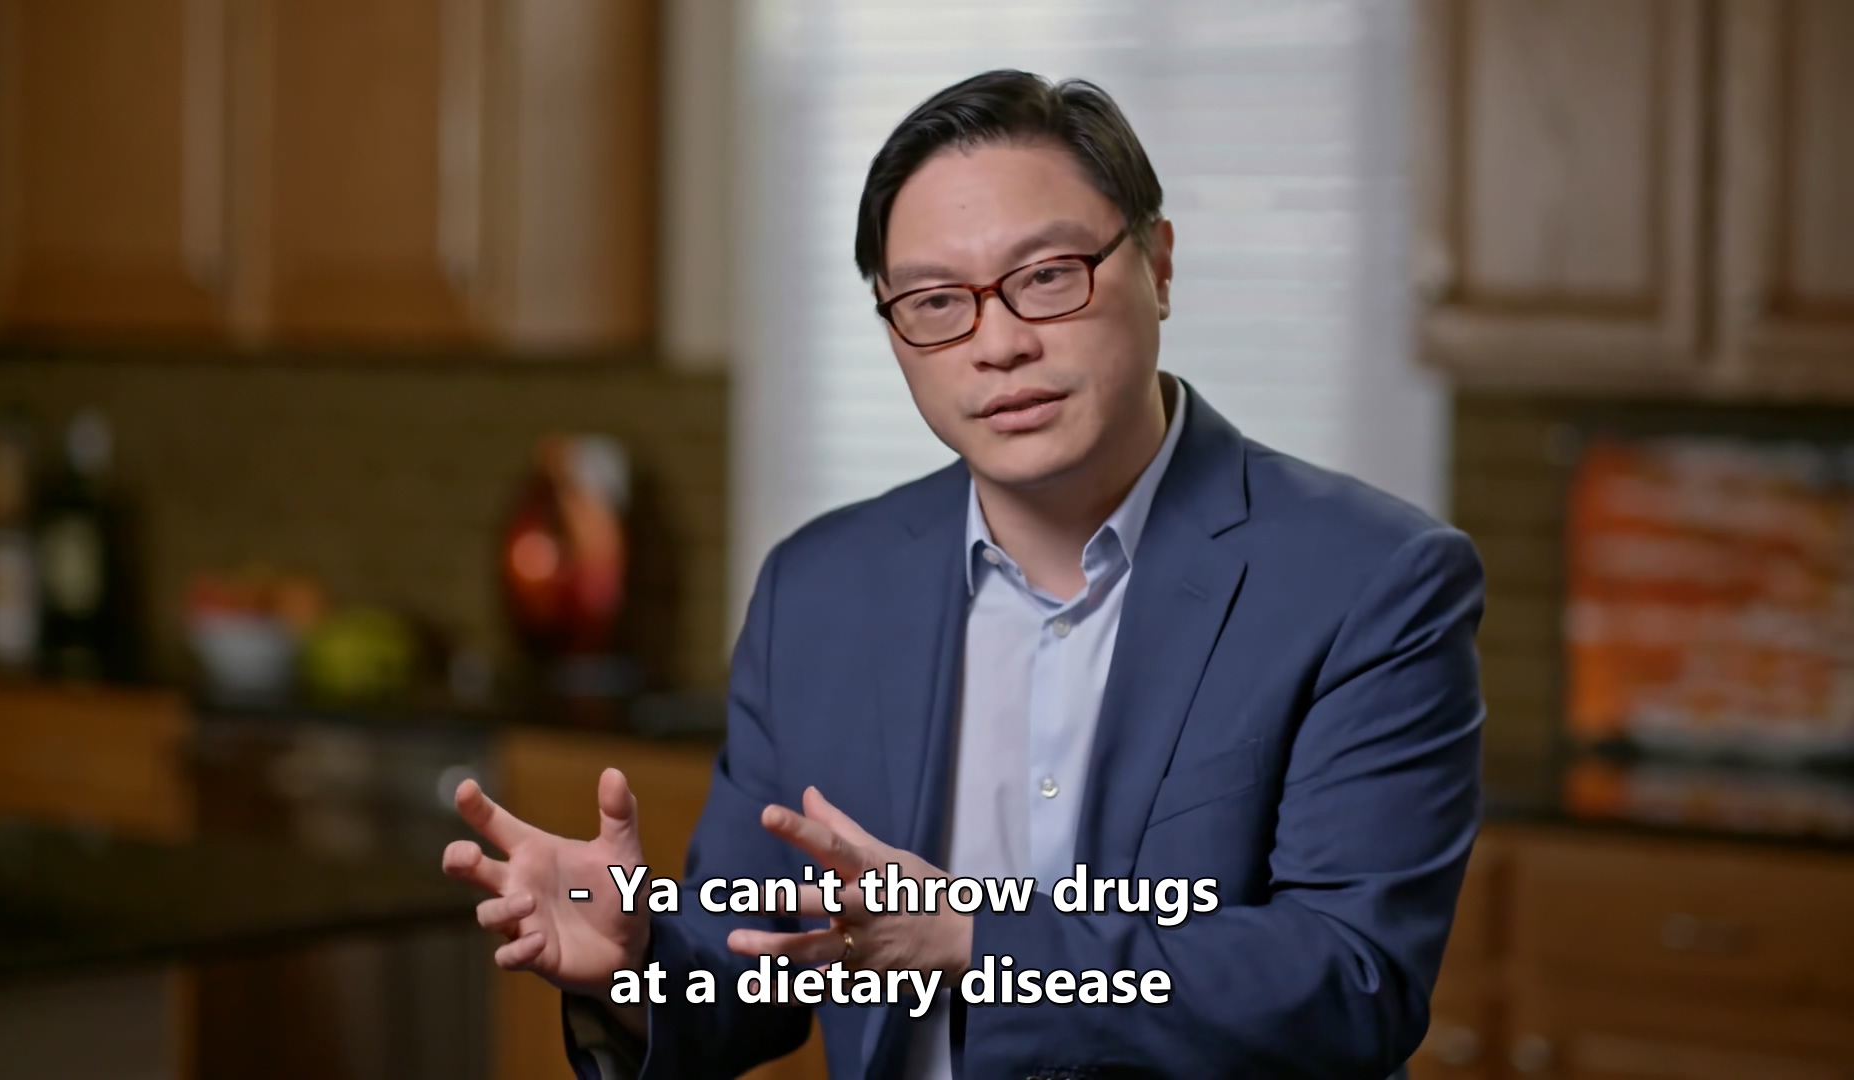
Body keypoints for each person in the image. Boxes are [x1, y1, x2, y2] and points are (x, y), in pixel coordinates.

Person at [443, 69, 1485, 1079]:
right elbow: (753, 970)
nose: (998, 343)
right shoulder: (820, 591)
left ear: (1159, 266)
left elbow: (1353, 982)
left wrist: (979, 944)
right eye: (937, 301)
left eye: (1048, 277)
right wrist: (634, 967)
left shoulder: (1371, 581)